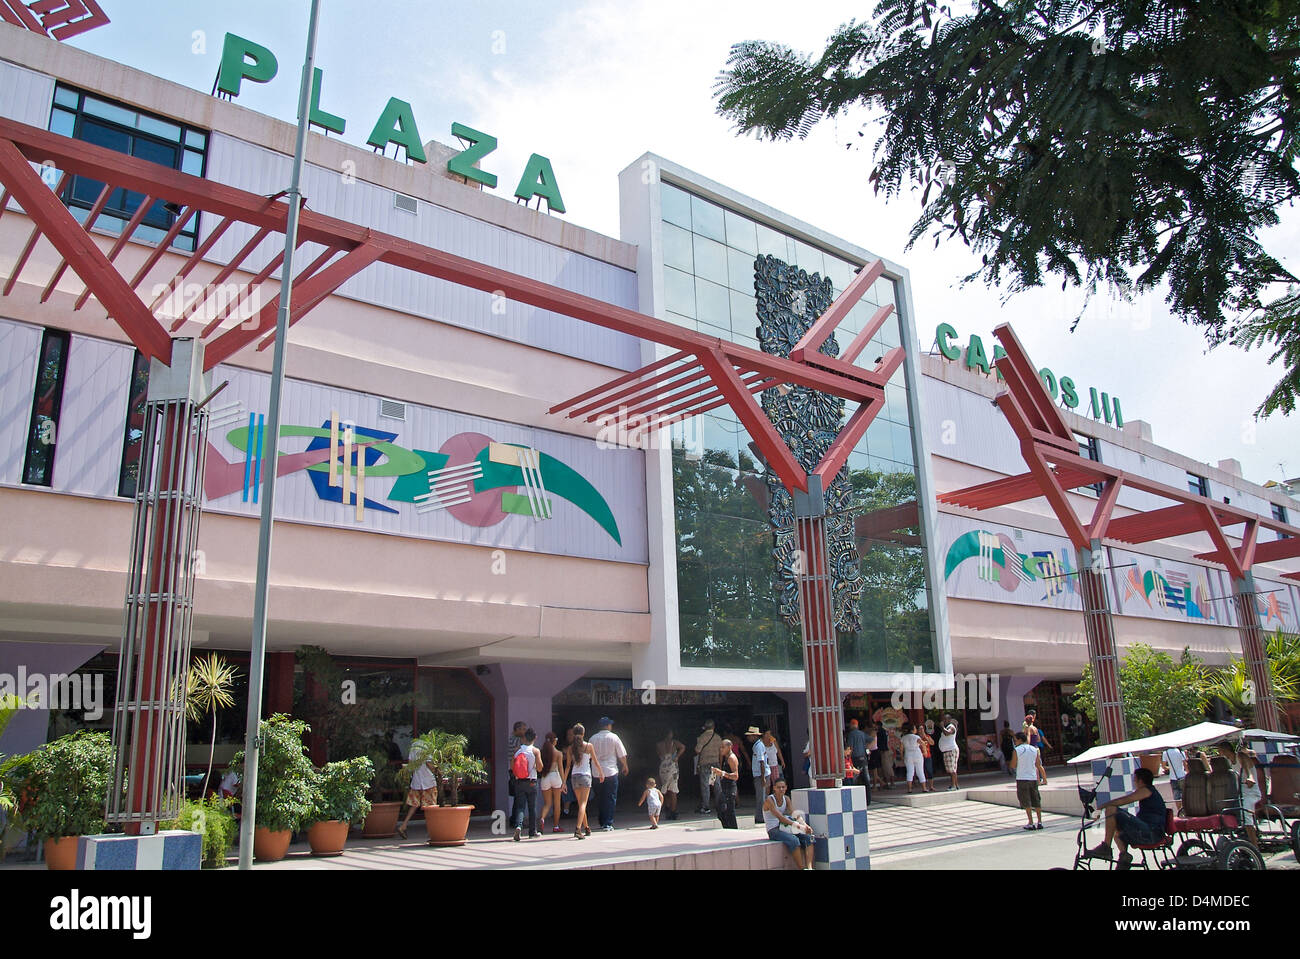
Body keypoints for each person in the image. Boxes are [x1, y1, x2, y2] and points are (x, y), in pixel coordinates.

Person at [1086, 767, 1167, 869]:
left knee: (1111, 810)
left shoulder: (1146, 790)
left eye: (1135, 780)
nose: (1134, 783)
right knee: (1116, 829)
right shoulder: (1147, 791)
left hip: (1152, 833)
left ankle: (1106, 847)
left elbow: (1124, 800)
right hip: (1146, 829)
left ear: (1140, 781)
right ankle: (1124, 855)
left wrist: (1101, 807)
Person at [1217, 741, 1262, 848]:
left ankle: (1255, 849)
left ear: (1225, 750)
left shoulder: (1240, 756)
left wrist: (1250, 777)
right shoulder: (1228, 762)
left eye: (1220, 751)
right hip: (1238, 794)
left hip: (1250, 793)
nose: (1219, 754)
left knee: (1246, 815)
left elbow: (1247, 769)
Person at [763, 779, 814, 870]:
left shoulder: (786, 798)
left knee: (809, 838)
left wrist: (805, 825)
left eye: (783, 787)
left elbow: (793, 813)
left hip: (785, 827)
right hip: (774, 829)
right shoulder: (769, 800)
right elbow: (780, 818)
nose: (781, 789)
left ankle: (809, 868)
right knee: (794, 840)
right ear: (774, 788)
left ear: (786, 788)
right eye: (778, 787)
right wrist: (799, 826)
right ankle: (801, 868)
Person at [589, 716, 628, 831]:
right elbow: (621, 754)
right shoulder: (614, 737)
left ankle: (601, 821)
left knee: (600, 797)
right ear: (607, 726)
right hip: (611, 771)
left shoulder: (592, 738)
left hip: (596, 772)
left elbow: (590, 756)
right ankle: (608, 823)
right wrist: (625, 765)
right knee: (610, 797)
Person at [566, 723, 601, 839]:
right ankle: (577, 829)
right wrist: (601, 773)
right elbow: (595, 762)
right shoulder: (588, 746)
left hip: (574, 776)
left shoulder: (570, 748)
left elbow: (567, 766)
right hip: (585, 776)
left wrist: (563, 782)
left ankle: (587, 827)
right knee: (583, 803)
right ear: (583, 733)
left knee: (581, 803)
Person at [398, 739, 437, 840]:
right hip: (428, 782)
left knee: (414, 805)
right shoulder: (427, 746)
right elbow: (429, 764)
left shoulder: (414, 747)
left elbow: (410, 765)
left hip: (416, 781)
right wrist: (437, 770)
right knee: (430, 807)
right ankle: (433, 831)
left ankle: (403, 825)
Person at [1010, 731, 1047, 830]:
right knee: (1036, 799)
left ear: (1019, 740)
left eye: (1015, 740)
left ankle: (1031, 822)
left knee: (1026, 801)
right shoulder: (1034, 749)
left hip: (1022, 778)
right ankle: (1040, 821)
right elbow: (1038, 764)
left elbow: (1013, 765)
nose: (1015, 742)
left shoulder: (1017, 750)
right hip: (1033, 777)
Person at [511, 728, 542, 841]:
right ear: (535, 738)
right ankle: (532, 831)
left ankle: (518, 826)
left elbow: (512, 767)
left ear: (524, 738)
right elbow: (540, 768)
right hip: (531, 782)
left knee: (520, 806)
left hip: (519, 782)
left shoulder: (517, 750)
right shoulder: (535, 751)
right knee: (532, 807)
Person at [538, 731, 565, 834]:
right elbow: (561, 768)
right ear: (554, 741)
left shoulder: (542, 752)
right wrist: (564, 782)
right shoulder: (558, 753)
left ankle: (542, 818)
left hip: (545, 777)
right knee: (557, 803)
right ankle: (556, 826)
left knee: (547, 803)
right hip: (555, 775)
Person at [710, 738, 741, 829]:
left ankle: (733, 829)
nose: (721, 750)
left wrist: (722, 773)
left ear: (729, 747)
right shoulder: (725, 758)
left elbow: (736, 776)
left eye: (723, 747)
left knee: (729, 812)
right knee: (721, 810)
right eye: (720, 747)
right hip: (725, 788)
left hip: (730, 788)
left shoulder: (731, 758)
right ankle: (728, 827)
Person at [657, 730, 686, 821]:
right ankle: (673, 812)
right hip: (672, 766)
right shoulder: (675, 743)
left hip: (663, 767)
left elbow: (659, 755)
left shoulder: (659, 744)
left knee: (665, 789)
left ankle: (667, 808)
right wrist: (677, 756)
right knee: (673, 789)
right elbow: (683, 747)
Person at [694, 720, 721, 813]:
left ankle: (706, 806)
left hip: (705, 763)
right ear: (713, 727)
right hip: (716, 763)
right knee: (717, 785)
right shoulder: (718, 737)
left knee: (705, 785)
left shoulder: (702, 737)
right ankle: (719, 805)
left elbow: (697, 750)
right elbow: (721, 751)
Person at [746, 726, 769, 824]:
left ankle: (761, 817)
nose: (748, 738)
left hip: (761, 775)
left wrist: (763, 777)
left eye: (750, 736)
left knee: (761, 797)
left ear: (754, 736)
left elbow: (761, 762)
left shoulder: (758, 746)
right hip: (760, 775)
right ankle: (761, 816)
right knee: (761, 797)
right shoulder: (757, 745)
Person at [505, 719, 526, 823]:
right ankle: (516, 820)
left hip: (514, 770)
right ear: (517, 729)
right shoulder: (515, 740)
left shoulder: (513, 739)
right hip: (516, 771)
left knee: (518, 797)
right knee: (519, 797)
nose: (524, 732)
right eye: (523, 729)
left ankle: (514, 819)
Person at [1160, 744, 1188, 816]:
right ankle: (1186, 810)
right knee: (1184, 794)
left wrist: (1171, 768)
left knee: (1176, 796)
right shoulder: (1180, 751)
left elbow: (1163, 766)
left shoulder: (1165, 752)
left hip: (1173, 777)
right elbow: (1185, 764)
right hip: (1182, 775)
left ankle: (1180, 812)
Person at [900, 722, 926, 793]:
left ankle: (909, 789)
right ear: (912, 729)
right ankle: (924, 788)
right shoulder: (916, 737)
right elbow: (923, 743)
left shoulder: (903, 738)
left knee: (910, 772)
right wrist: (925, 752)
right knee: (920, 771)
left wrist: (902, 757)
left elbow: (901, 749)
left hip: (908, 754)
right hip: (917, 754)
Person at [937, 713, 960, 791]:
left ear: (949, 720)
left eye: (945, 719)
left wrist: (942, 727)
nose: (943, 721)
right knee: (952, 770)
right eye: (943, 719)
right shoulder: (947, 727)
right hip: (948, 751)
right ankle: (956, 785)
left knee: (952, 770)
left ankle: (953, 786)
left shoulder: (951, 727)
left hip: (951, 750)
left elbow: (947, 733)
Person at [845, 719, 869, 787]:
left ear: (852, 725)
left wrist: (848, 757)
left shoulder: (851, 734)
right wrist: (867, 748)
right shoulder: (862, 734)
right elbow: (872, 739)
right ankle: (868, 796)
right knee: (866, 779)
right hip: (863, 758)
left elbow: (850, 747)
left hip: (855, 758)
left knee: (854, 780)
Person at [917, 723, 936, 791]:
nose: (921, 730)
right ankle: (922, 786)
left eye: (922, 729)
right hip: (919, 756)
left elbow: (932, 743)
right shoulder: (916, 738)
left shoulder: (927, 736)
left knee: (929, 770)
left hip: (927, 755)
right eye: (920, 729)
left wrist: (926, 737)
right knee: (920, 771)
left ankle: (931, 786)